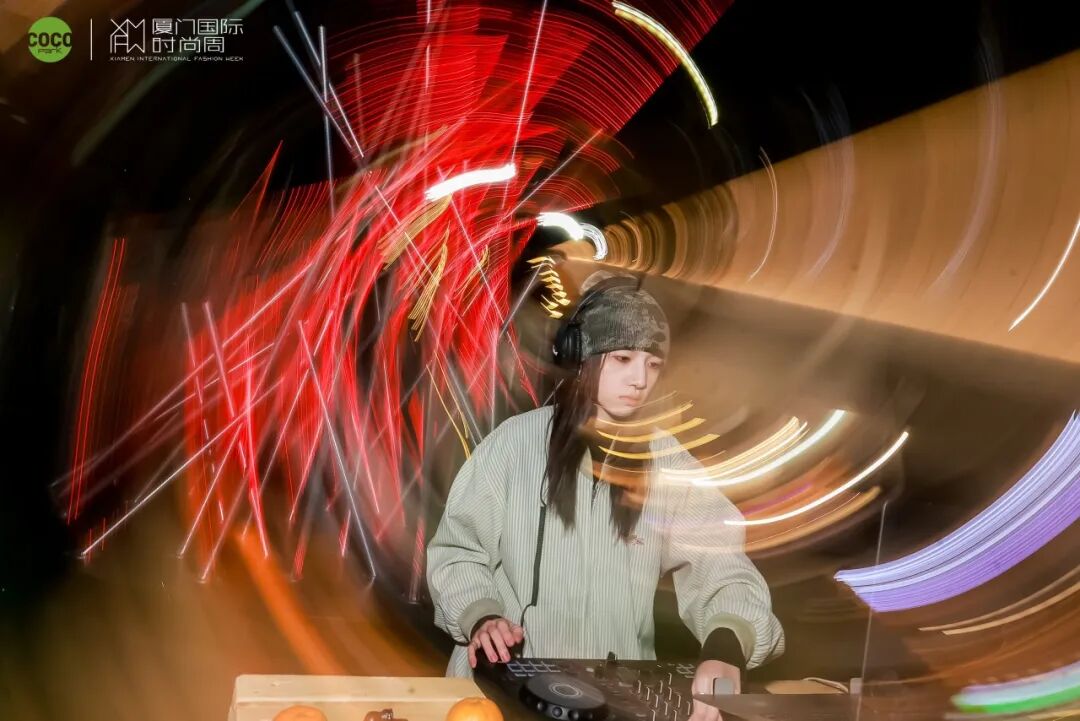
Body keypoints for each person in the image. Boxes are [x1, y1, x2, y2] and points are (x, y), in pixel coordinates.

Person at [426, 272, 784, 721]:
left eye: (653, 364)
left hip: (611, 701)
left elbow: (725, 568)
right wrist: (481, 616)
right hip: (499, 695)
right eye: (622, 358)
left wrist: (725, 647)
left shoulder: (669, 463)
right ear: (580, 355)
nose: (640, 379)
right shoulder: (515, 445)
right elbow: (457, 552)